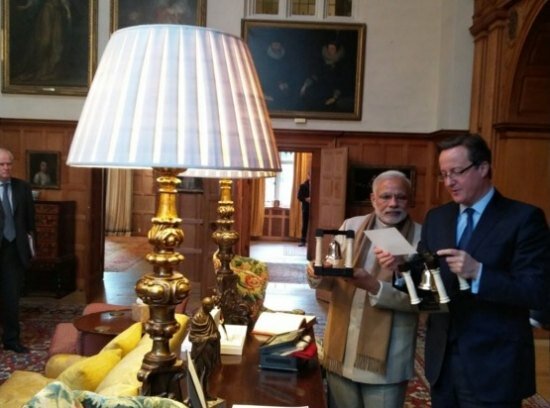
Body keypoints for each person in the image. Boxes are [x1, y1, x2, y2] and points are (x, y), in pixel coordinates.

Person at [416, 133, 550, 407]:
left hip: (494, 364)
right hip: (441, 362)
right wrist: (400, 270)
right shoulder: (437, 218)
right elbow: (426, 280)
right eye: (444, 174)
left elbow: (537, 291)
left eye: (457, 171)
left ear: (483, 168)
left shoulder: (524, 218)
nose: (449, 182)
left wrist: (479, 273)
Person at [307, 170, 421, 408]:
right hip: (342, 351)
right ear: (372, 199)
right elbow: (332, 280)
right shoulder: (351, 225)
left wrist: (373, 286)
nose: (393, 204)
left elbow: (421, 301)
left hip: (386, 360)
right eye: (386, 196)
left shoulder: (421, 237)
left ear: (409, 200)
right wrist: (317, 274)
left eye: (400, 197)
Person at [0, 147, 36, 353]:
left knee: (11, 297)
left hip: (14, 250)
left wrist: (32, 247)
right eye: (2, 164)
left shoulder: (22, 187)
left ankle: (11, 340)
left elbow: (30, 222)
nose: (6, 168)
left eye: (8, 164)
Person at [189, 296, 221, 401]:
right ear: (204, 306)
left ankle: (204, 394)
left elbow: (214, 331)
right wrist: (208, 338)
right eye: (210, 307)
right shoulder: (197, 318)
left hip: (209, 350)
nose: (212, 309)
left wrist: (216, 335)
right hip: (201, 352)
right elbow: (192, 337)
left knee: (208, 373)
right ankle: (196, 396)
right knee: (199, 374)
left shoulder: (208, 315)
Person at [297, 172, 310, 247]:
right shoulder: (303, 185)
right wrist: (306, 199)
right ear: (308, 176)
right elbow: (299, 197)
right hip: (306, 208)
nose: (311, 177)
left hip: (316, 209)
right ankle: (303, 241)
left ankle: (314, 241)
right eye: (310, 175)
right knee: (305, 225)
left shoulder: (317, 184)